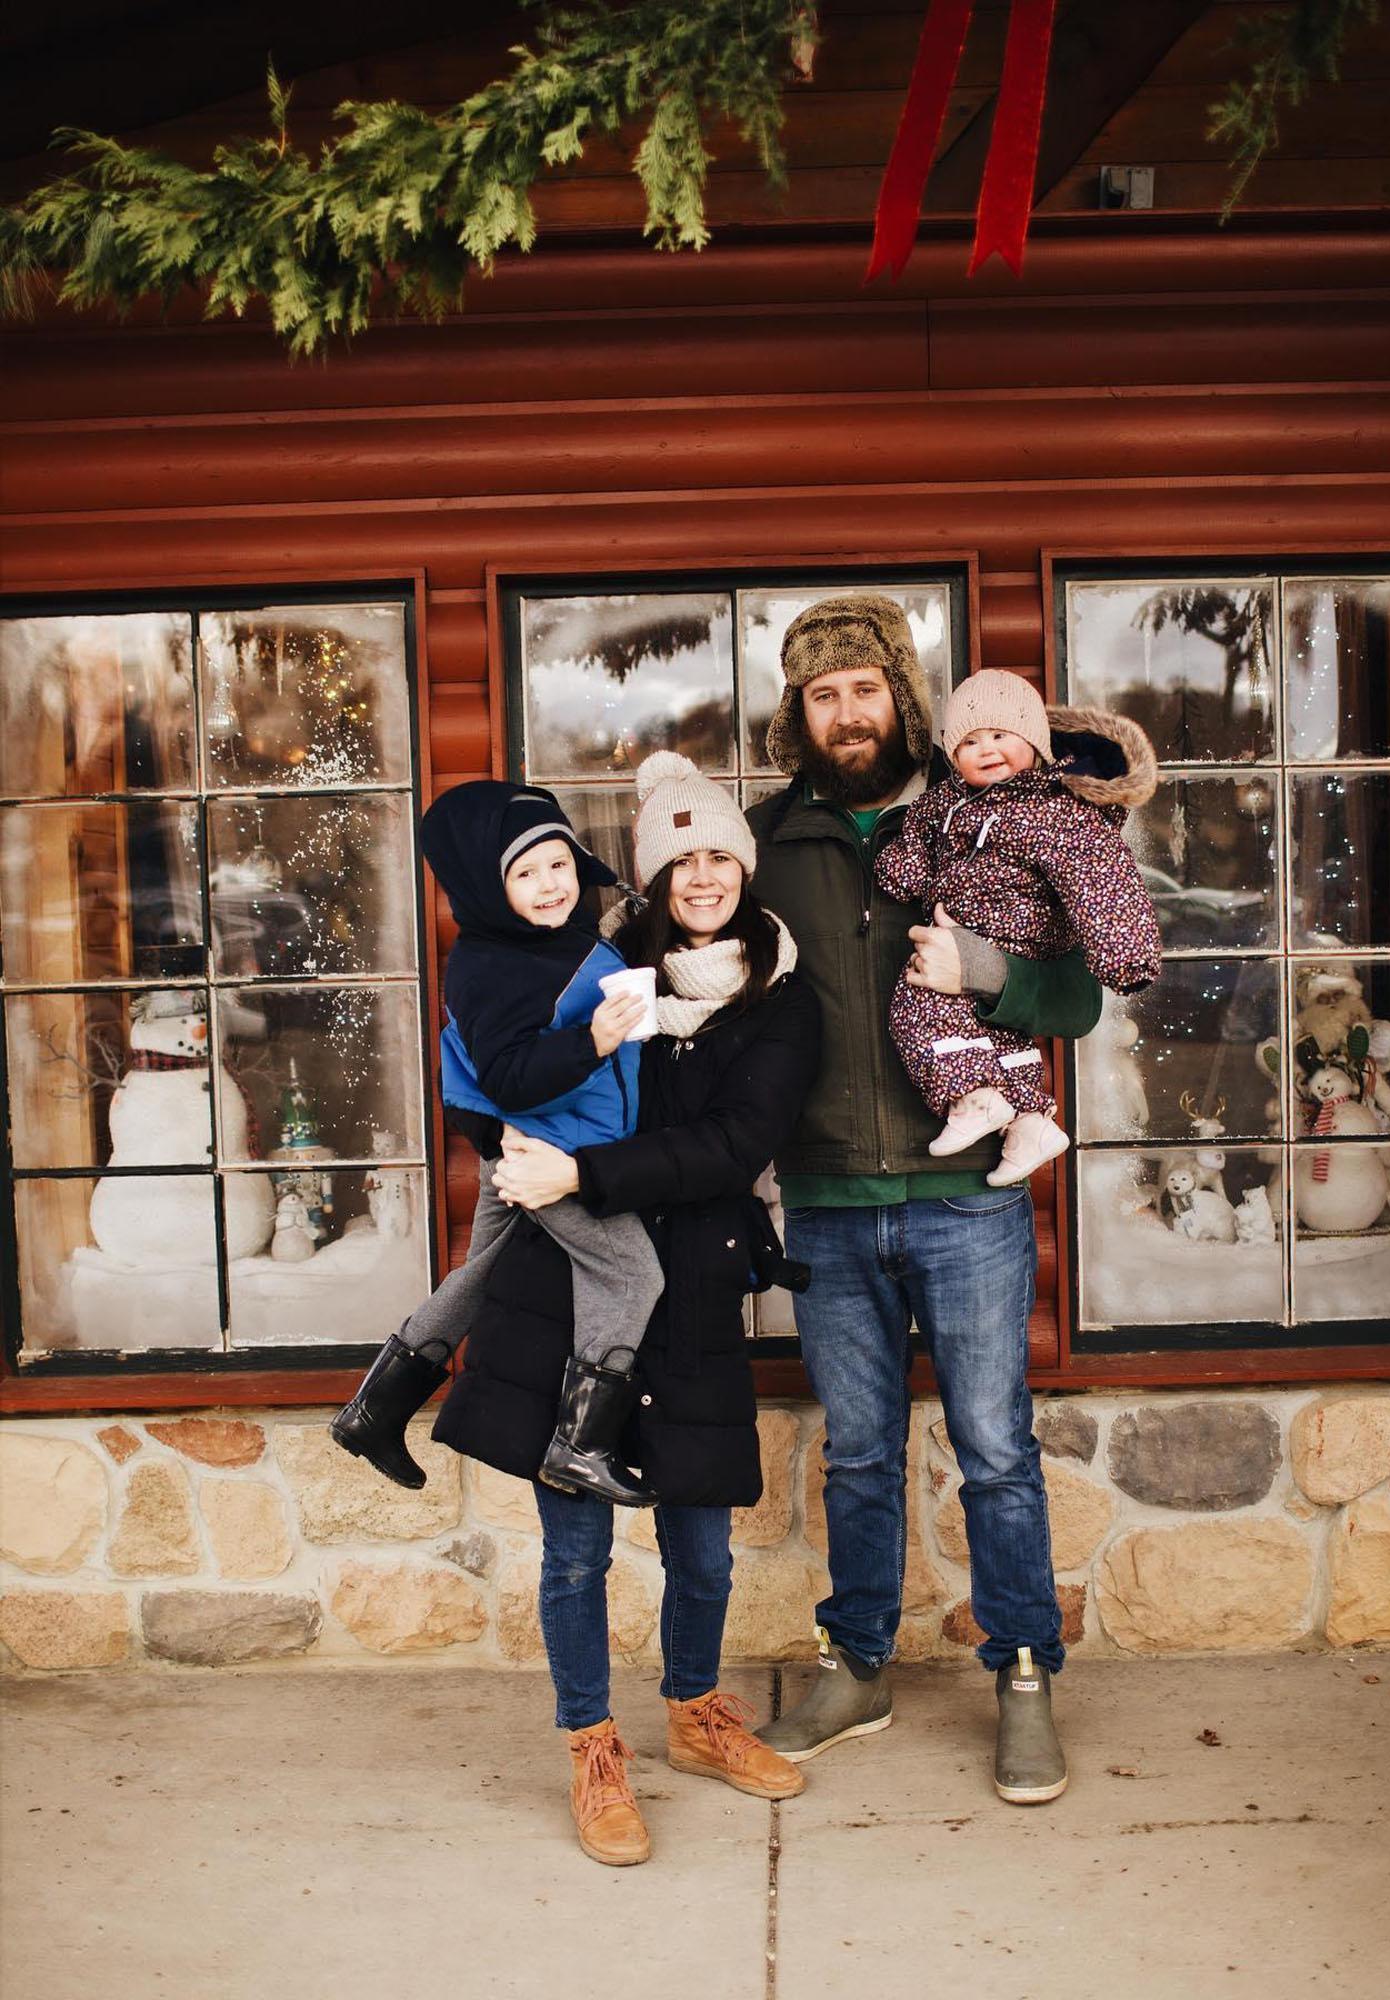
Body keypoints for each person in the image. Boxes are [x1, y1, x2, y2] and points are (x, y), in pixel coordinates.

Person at [745, 594, 1156, 1805]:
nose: (846, 710)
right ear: (799, 711)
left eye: (864, 687)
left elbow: (1077, 1002)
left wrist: (984, 970)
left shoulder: (990, 810)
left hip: (967, 1195)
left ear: (900, 697)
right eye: (823, 693)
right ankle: (857, 1662)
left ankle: (1023, 1671)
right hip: (824, 1195)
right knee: (860, 1453)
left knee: (994, 1452)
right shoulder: (771, 840)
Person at [433, 751, 822, 1866]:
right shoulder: (602, 967)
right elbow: (501, 1076)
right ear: (650, 877)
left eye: (719, 855)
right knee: (575, 1548)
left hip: (692, 1280)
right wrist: (510, 1148)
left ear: (743, 871)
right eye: (679, 858)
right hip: (567, 1285)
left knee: (701, 1543)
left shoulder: (779, 999)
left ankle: (697, 1714)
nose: (701, 876)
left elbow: (732, 1145)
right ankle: (591, 1744)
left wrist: (583, 1174)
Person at [329, 781, 664, 1506]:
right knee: (634, 1275)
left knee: (480, 1270)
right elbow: (509, 1076)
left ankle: (374, 1410)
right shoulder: (493, 963)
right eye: (525, 873)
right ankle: (580, 1446)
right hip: (547, 1153)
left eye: (559, 864)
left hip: (530, 1146)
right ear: (490, 885)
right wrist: (594, 1040)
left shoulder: (549, 942)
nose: (549, 885)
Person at [875, 668, 1161, 1185]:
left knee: (918, 1004)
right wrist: (901, 870)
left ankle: (972, 1098)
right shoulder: (947, 801)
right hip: (969, 926)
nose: (986, 749)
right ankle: (1031, 1122)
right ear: (951, 752)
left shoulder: (1058, 810)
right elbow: (917, 837)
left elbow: (1101, 877)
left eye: (1001, 736)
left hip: (1018, 932)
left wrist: (1125, 952)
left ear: (1034, 740)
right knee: (998, 1035)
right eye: (969, 740)